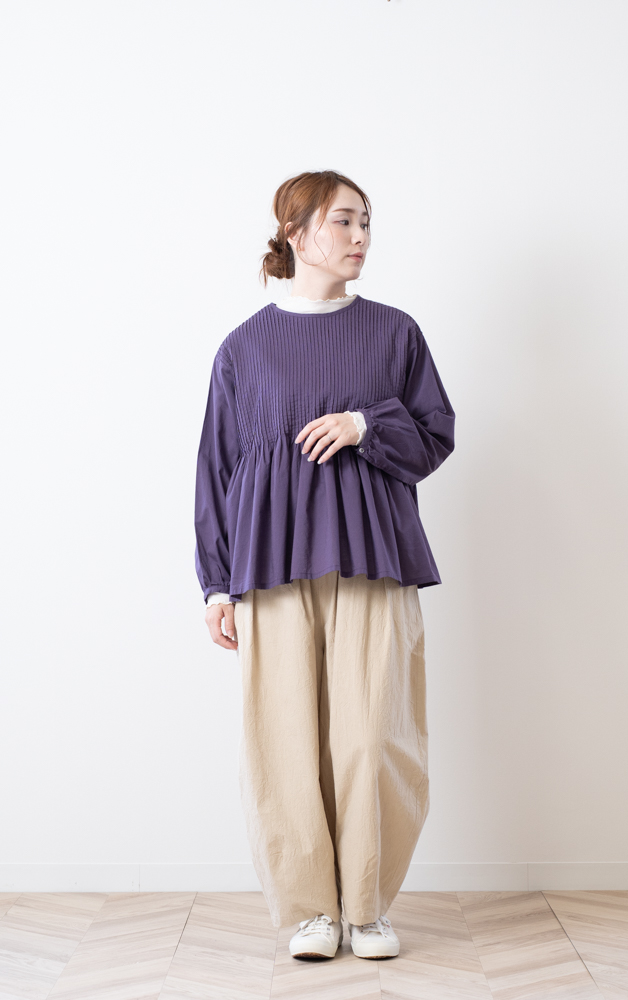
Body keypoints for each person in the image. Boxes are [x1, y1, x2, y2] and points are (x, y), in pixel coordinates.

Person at [194, 170, 455, 961]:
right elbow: (218, 468)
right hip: (269, 568)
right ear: (297, 232)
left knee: (374, 736)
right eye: (343, 221)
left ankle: (366, 906)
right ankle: (311, 909)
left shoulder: (394, 333)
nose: (360, 236)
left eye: (366, 222)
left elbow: (434, 436)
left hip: (372, 560)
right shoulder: (244, 347)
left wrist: (363, 425)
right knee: (283, 741)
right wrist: (215, 583)